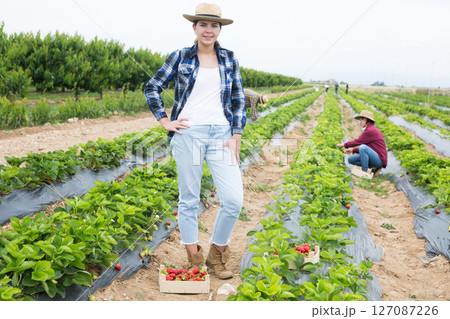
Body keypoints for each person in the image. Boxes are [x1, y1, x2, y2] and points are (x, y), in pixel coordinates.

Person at [144, 3, 245, 280]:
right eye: (203, 24)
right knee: (189, 199)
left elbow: (238, 99)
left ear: (220, 29)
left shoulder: (229, 59)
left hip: (222, 135)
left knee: (234, 199)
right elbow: (152, 86)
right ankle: (194, 257)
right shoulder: (180, 56)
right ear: (194, 28)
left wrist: (236, 135)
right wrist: (165, 121)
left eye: (213, 25)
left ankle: (216, 253)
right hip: (188, 134)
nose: (208, 30)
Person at [337, 110, 387, 179]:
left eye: (360, 120)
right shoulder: (370, 129)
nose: (360, 122)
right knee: (351, 159)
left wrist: (343, 145)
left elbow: (358, 142)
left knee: (363, 147)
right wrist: (353, 150)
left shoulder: (370, 130)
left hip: (379, 160)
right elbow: (369, 147)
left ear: (365, 119)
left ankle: (364, 172)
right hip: (374, 157)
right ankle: (372, 168)